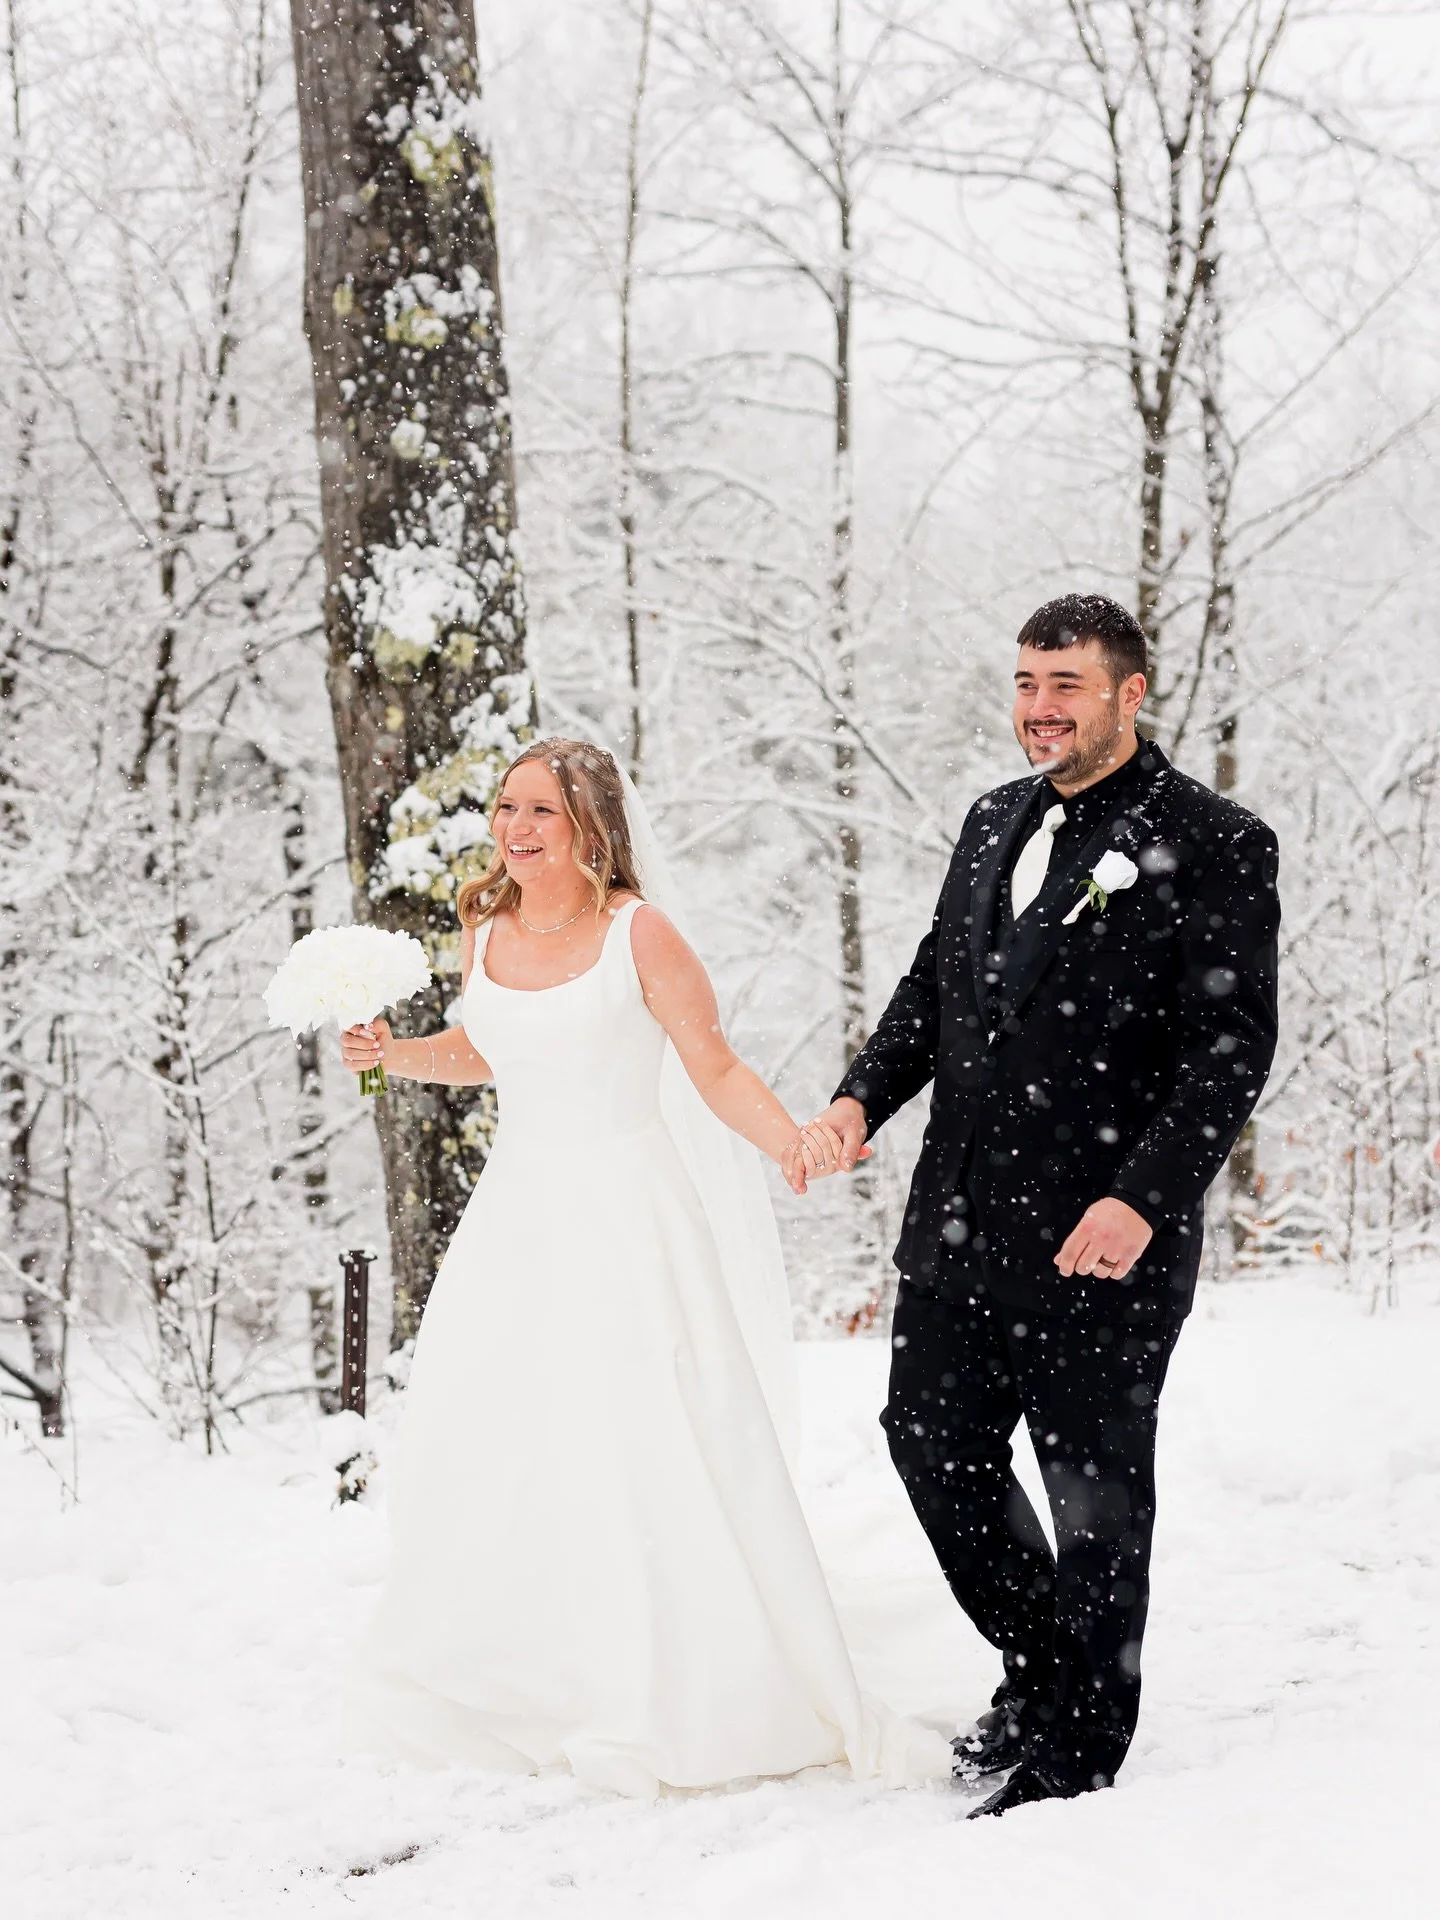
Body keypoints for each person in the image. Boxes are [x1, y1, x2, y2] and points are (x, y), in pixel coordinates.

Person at [339, 737, 948, 1797]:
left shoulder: (642, 934)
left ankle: (669, 1672)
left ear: (592, 825)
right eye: (506, 807)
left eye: (541, 811)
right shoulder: (483, 927)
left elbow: (710, 1062)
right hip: (517, 1222)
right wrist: (394, 1053)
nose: (516, 829)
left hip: (628, 1214)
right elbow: (490, 1050)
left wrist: (792, 1141)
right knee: (506, 1429)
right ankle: (528, 1661)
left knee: (638, 1432)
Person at [798, 595, 1281, 1817]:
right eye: (1024, 683)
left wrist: (1141, 1199)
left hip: (1099, 1237)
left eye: (1064, 684)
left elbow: (1229, 1047)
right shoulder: (991, 820)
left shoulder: (1216, 839)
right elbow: (934, 980)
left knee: (1094, 1496)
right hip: (958, 1220)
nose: (1038, 709)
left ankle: (1080, 1749)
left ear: (1129, 693)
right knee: (931, 1450)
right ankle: (1040, 1666)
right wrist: (862, 1100)